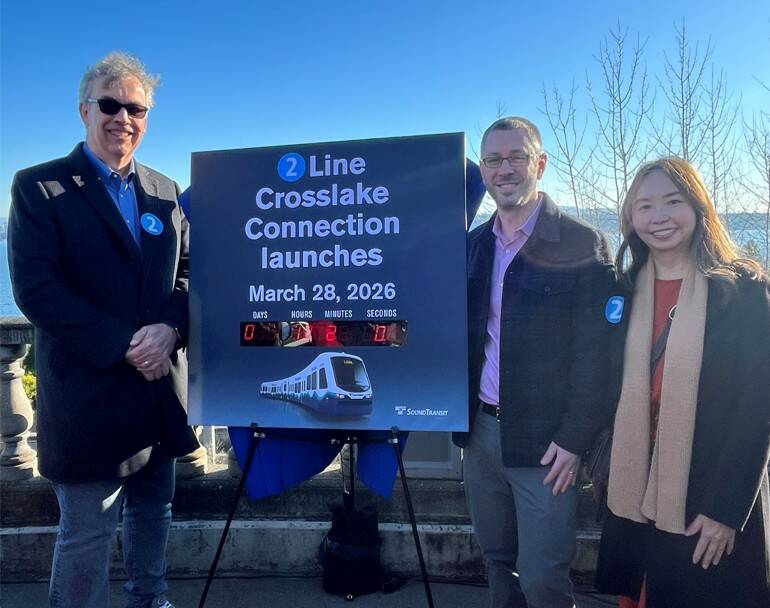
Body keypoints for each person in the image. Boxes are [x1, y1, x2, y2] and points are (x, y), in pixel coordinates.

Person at [8, 52, 198, 608]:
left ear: (147, 117)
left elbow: (188, 275)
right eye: (110, 105)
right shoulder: (38, 187)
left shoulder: (166, 191)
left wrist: (169, 329)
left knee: (152, 511)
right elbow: (37, 290)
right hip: (88, 394)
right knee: (87, 532)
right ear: (84, 111)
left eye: (135, 108)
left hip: (158, 390)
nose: (124, 118)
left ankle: (150, 600)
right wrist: (125, 345)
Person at [453, 116, 616, 608]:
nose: (505, 169)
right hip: (479, 433)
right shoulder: (473, 246)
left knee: (544, 579)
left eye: (516, 157)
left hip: (547, 446)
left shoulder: (581, 243)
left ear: (539, 164)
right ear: (482, 171)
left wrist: (574, 439)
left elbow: (598, 356)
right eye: (494, 160)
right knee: (497, 561)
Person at [594, 157, 770, 607]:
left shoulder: (743, 292)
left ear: (698, 207)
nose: (659, 217)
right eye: (645, 206)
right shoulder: (622, 289)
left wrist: (726, 510)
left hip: (707, 492)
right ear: (630, 218)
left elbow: (758, 408)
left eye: (673, 202)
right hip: (637, 487)